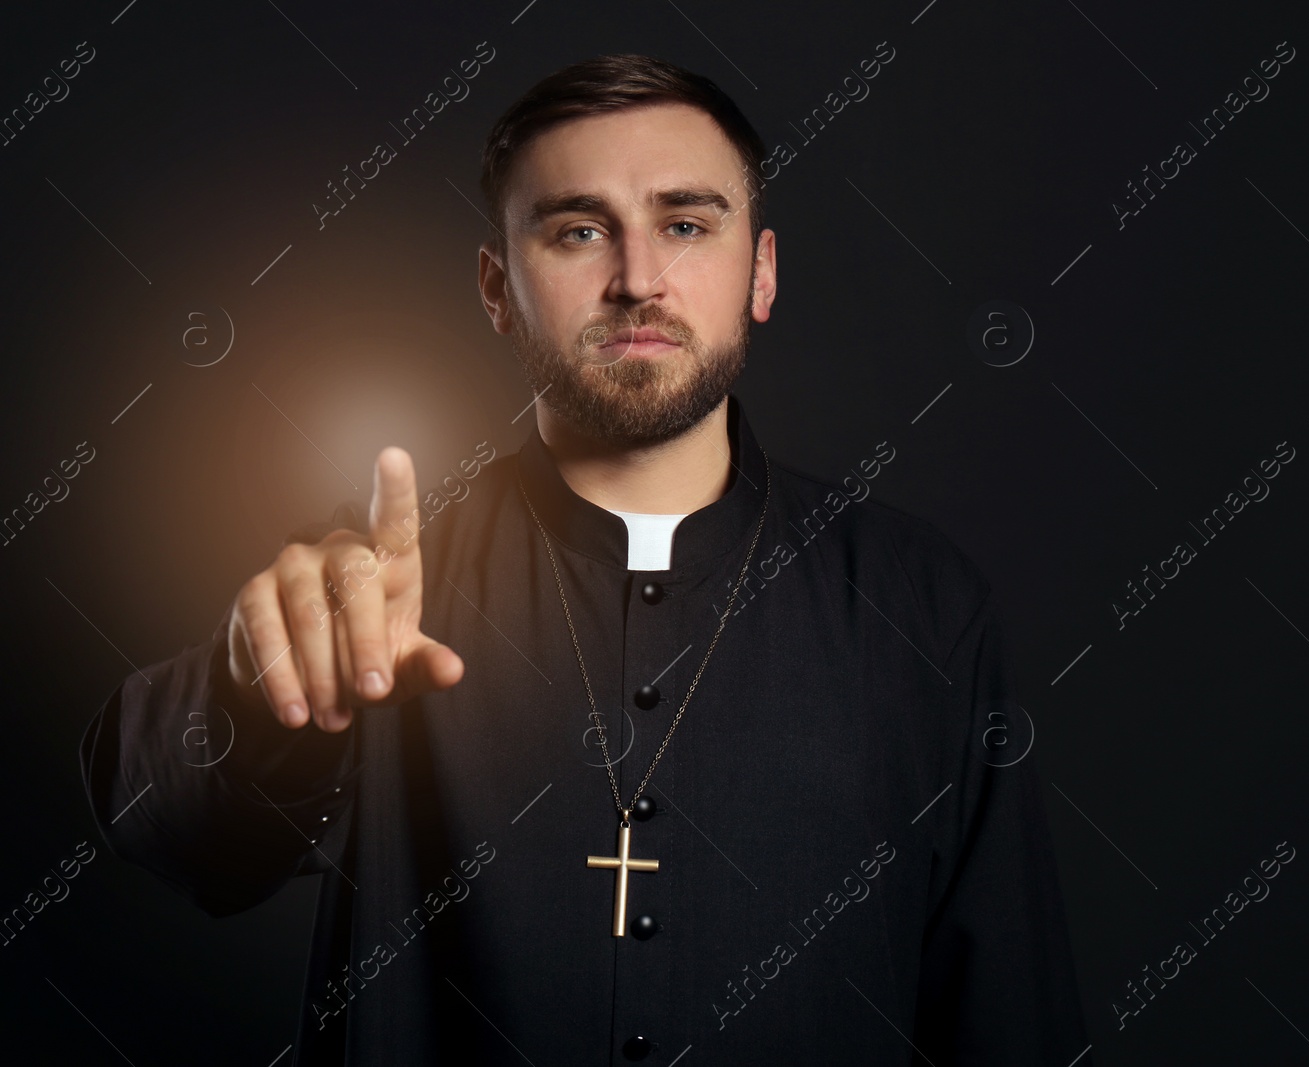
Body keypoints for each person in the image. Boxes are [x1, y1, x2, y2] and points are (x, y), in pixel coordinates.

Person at [79, 53, 1092, 1066]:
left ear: (763, 271)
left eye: (686, 224)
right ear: (496, 288)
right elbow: (166, 827)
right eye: (577, 230)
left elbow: (1006, 1013)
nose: (637, 279)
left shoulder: (921, 603)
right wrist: (259, 688)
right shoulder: (377, 582)